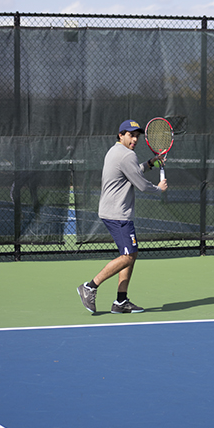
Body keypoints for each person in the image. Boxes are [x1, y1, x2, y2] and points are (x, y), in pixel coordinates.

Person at [77, 119, 168, 314]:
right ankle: (90, 287)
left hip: (114, 212)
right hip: (117, 214)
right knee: (127, 256)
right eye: (130, 135)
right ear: (121, 135)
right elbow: (142, 185)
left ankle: (120, 301)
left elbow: (131, 172)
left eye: (137, 136)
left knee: (131, 254)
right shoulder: (127, 156)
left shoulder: (115, 151)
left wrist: (150, 163)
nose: (135, 139)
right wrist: (158, 189)